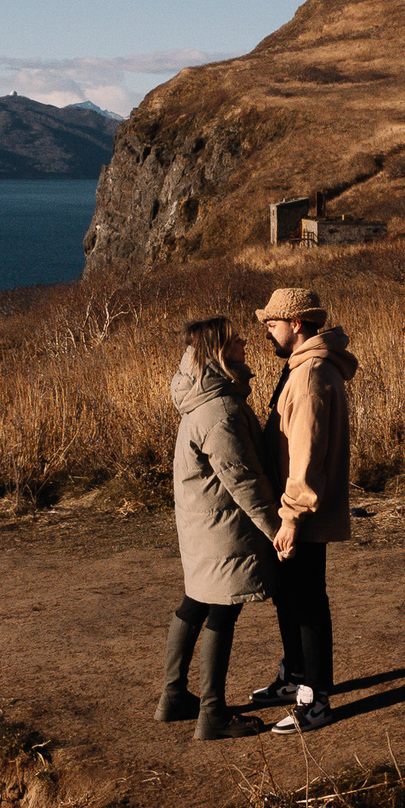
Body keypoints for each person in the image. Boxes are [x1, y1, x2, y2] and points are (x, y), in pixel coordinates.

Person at [158, 316, 282, 740]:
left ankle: (173, 695)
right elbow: (241, 479)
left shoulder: (201, 397)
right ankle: (212, 714)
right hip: (223, 528)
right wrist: (275, 528)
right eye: (235, 340)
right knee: (223, 610)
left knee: (195, 602)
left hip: (200, 522)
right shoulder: (221, 409)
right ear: (218, 352)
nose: (245, 342)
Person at [247, 287, 359, 734]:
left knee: (308, 601)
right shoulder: (303, 368)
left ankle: (315, 700)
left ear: (296, 324)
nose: (267, 334)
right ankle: (295, 678)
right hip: (298, 509)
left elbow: (307, 455)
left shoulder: (311, 375)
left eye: (272, 325)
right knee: (291, 595)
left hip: (304, 513)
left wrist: (291, 516)